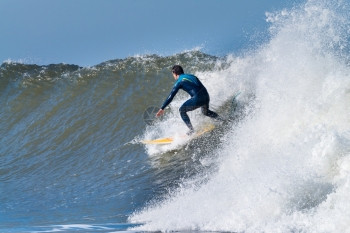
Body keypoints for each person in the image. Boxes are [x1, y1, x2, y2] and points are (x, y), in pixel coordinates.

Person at [156, 65, 222, 135]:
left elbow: (171, 96)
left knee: (182, 110)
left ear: (174, 73)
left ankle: (191, 130)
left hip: (198, 98)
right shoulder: (192, 76)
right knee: (205, 112)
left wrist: (162, 108)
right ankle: (221, 119)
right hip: (206, 96)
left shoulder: (179, 81)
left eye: (173, 74)